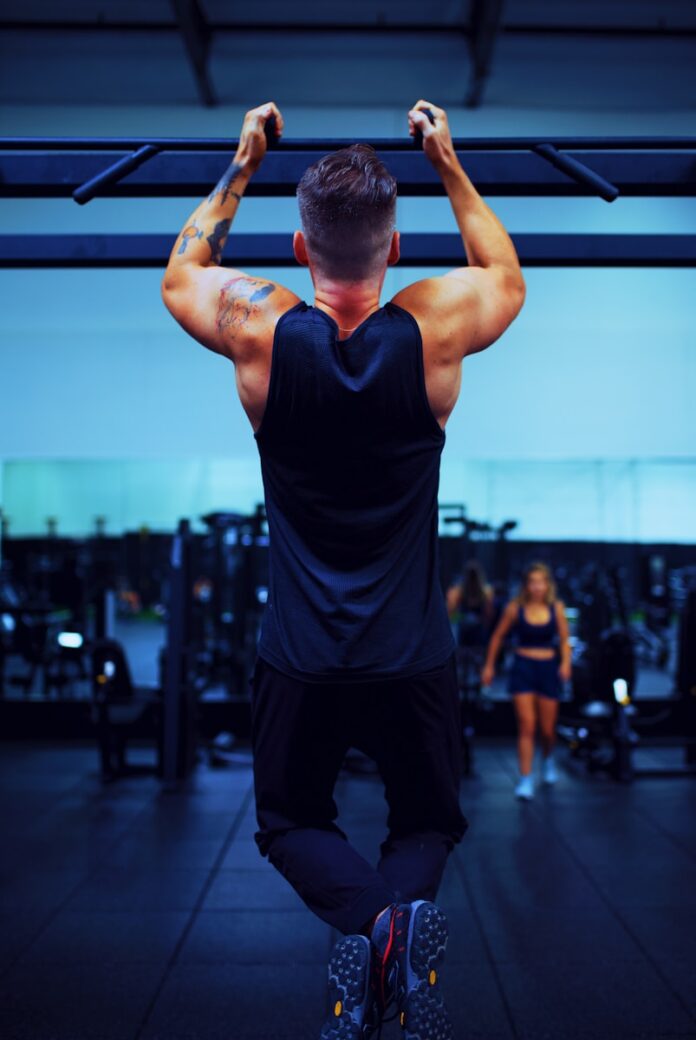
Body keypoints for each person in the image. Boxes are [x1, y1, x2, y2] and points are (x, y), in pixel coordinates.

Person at [161, 99, 525, 1040]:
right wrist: (446, 160)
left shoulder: (261, 337)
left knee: (288, 822)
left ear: (298, 248)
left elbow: (182, 274)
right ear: (395, 248)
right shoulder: (433, 327)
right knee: (428, 824)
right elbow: (505, 276)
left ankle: (375, 926)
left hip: (303, 654)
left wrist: (242, 161)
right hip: (413, 655)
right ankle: (397, 928)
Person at [481, 562, 572, 800]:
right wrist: (489, 666)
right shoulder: (515, 608)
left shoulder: (556, 608)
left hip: (548, 669)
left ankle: (548, 759)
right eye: (533, 582)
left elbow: (564, 639)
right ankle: (525, 778)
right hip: (523, 667)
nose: (537, 587)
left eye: (541, 581)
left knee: (547, 729)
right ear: (526, 585)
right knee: (527, 725)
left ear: (548, 584)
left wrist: (565, 663)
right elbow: (497, 637)